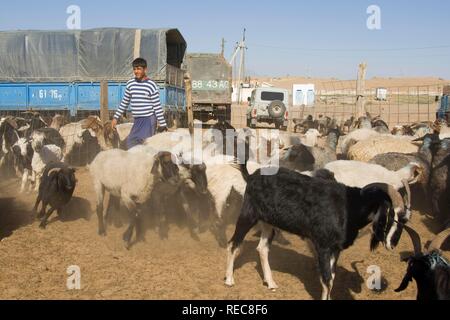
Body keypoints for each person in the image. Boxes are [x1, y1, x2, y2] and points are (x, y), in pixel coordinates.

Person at [111, 58, 167, 149]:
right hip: (137, 120)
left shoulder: (151, 85)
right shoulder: (130, 84)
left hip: (149, 120)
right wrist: (115, 118)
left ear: (145, 69)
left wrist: (163, 124)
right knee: (131, 143)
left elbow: (157, 106)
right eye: (134, 69)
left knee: (145, 144)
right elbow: (124, 102)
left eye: (139, 69)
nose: (136, 71)